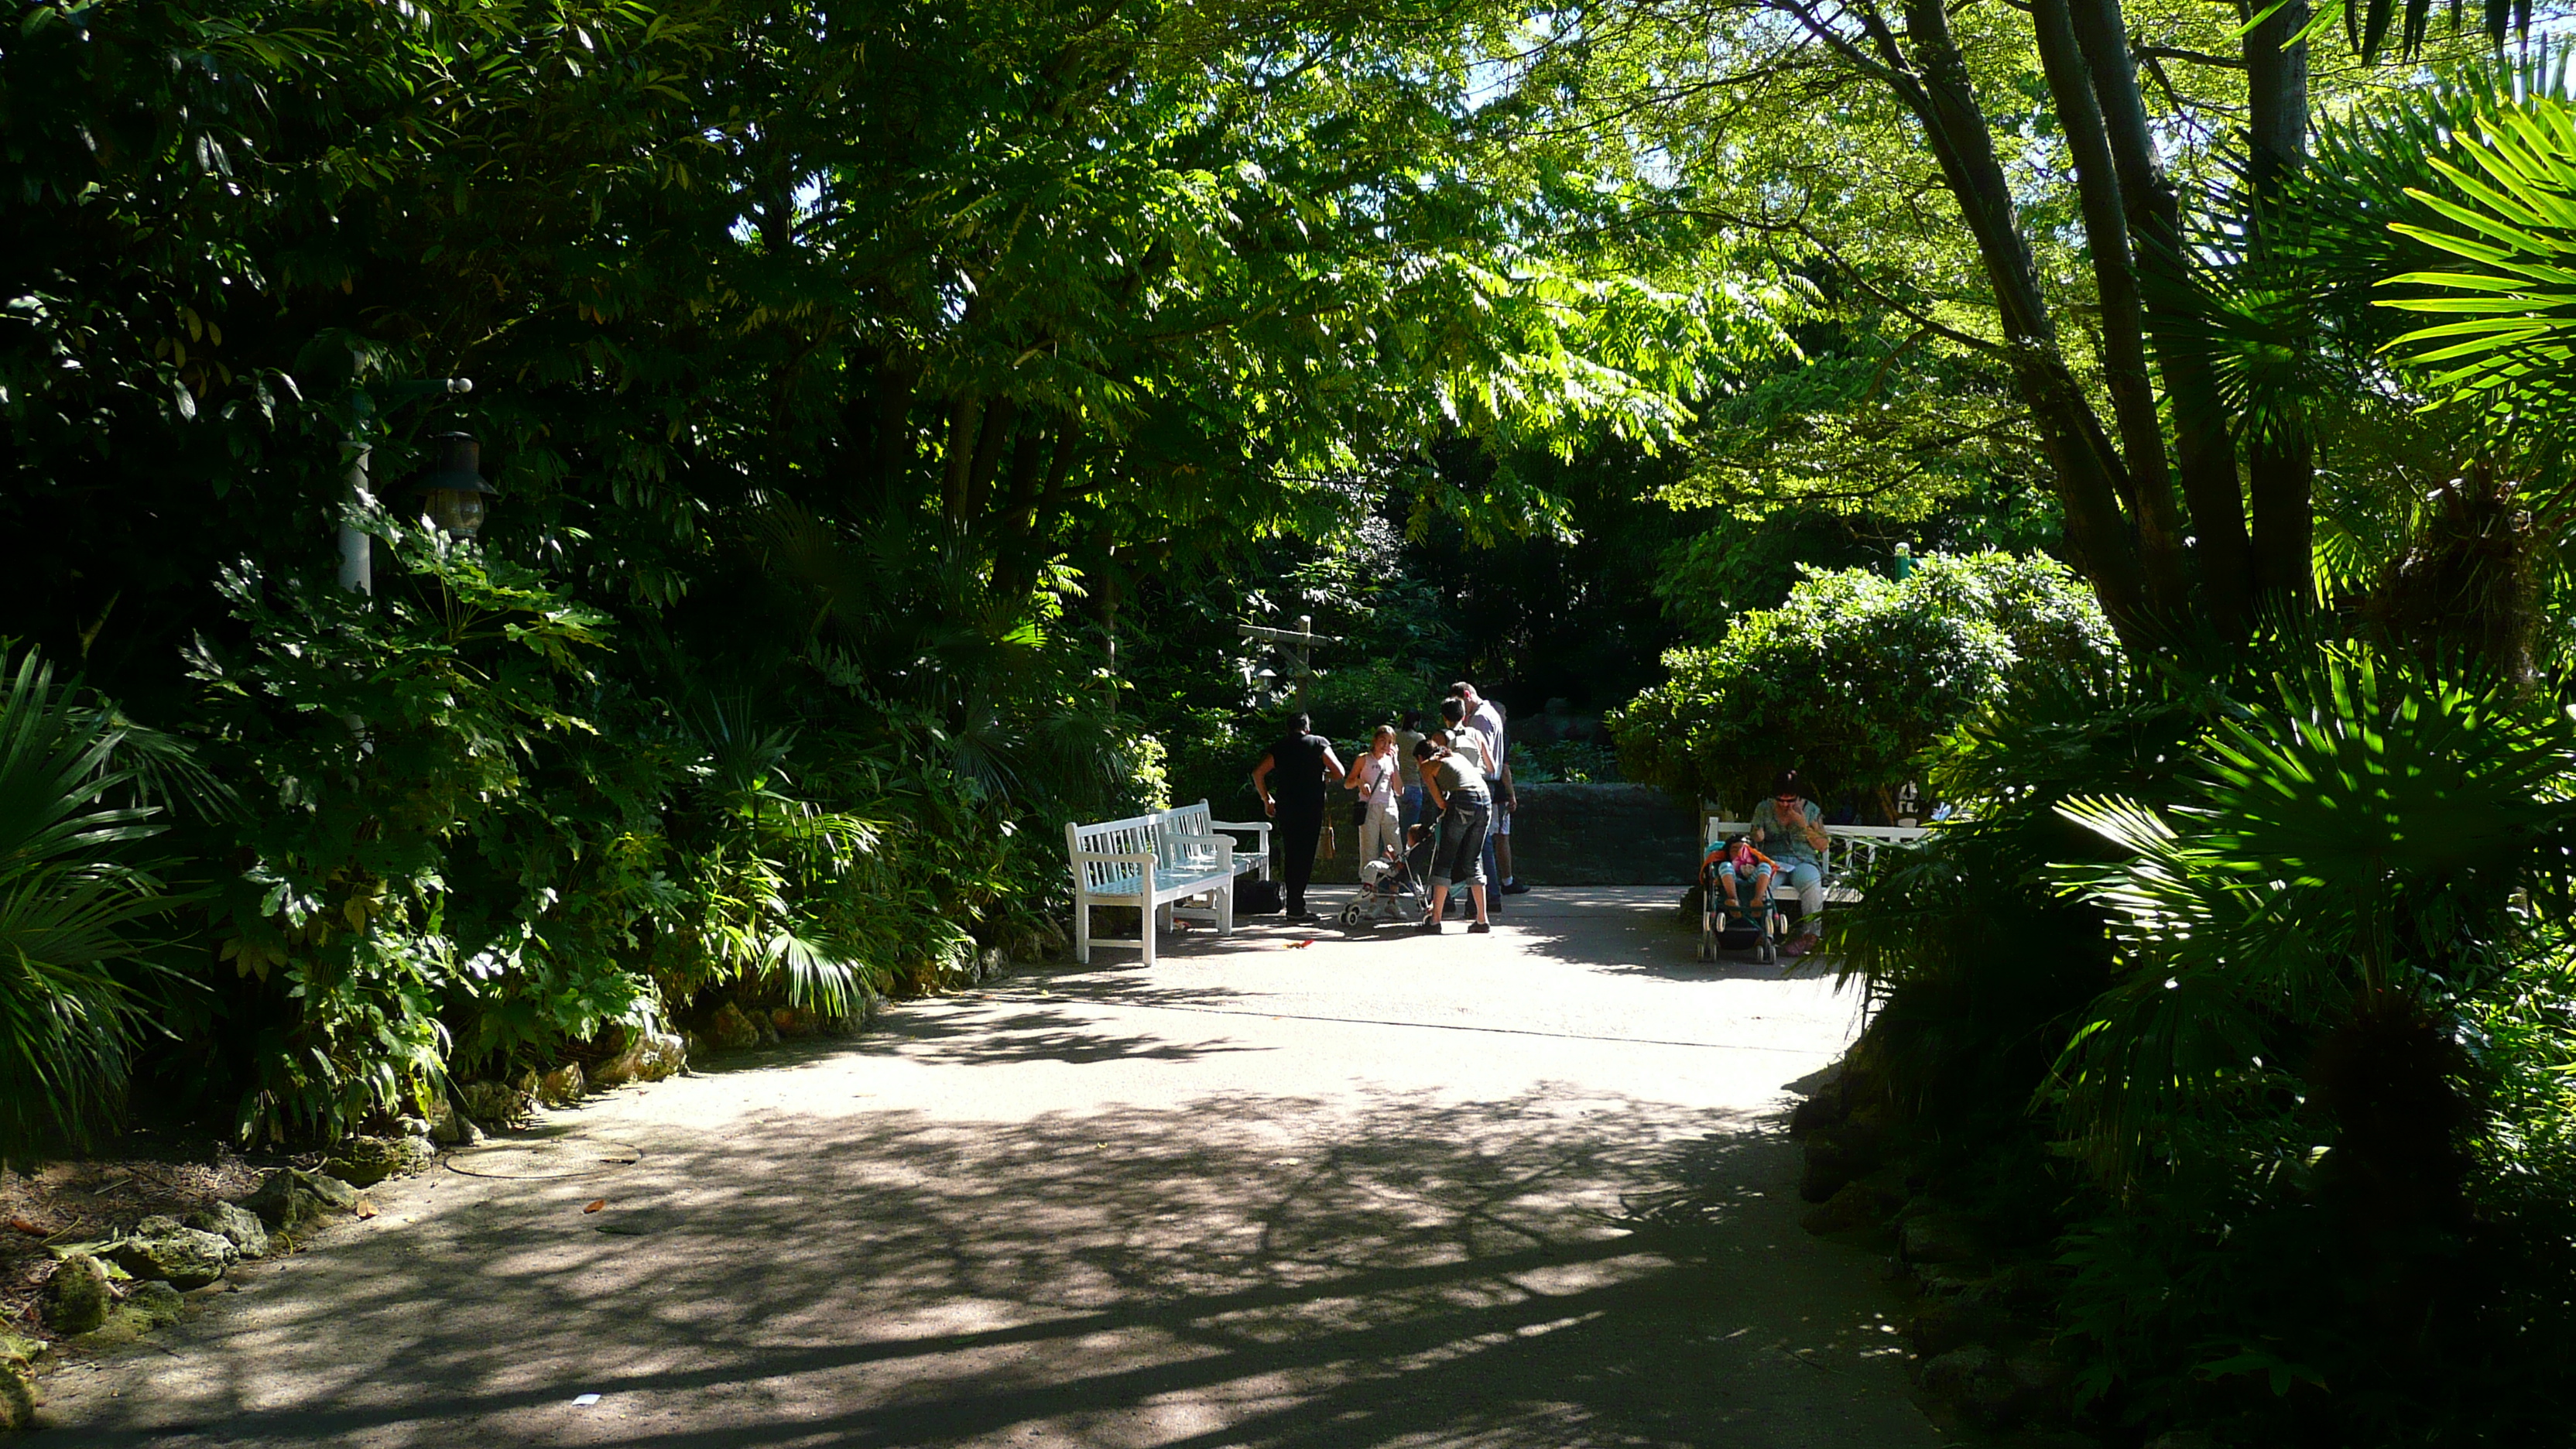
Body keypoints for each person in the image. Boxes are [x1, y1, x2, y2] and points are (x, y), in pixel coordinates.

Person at [1251, 714, 1346, 923]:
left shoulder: (1280, 747)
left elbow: (1258, 773)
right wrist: (1323, 775)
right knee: (1305, 856)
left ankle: (1294, 904)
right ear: (1307, 728)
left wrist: (1267, 799)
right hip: (1310, 807)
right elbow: (1339, 772)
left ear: (1288, 729)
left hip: (1286, 807)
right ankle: (1296, 906)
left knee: (1291, 853)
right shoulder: (1319, 743)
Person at [1450, 682, 1523, 897]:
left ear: (1466, 695)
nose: (1461, 710)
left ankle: (1490, 893)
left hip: (1480, 782)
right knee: (1481, 842)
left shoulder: (1480, 718)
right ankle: (1487, 894)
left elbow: (1480, 756)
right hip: (1488, 782)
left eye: (1460, 703)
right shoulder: (1491, 712)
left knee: (1480, 843)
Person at [1413, 737, 1492, 933]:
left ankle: (1435, 920)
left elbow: (1441, 803)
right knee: (1472, 860)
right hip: (1485, 801)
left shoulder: (1426, 766)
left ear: (1421, 757)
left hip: (1464, 801)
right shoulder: (1456, 756)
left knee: (1444, 861)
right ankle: (1482, 919)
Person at [1749, 769, 1829, 954]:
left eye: (1790, 800)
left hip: (1803, 861)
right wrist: (1758, 835)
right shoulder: (1764, 808)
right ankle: (1765, 932)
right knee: (1764, 883)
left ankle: (1810, 936)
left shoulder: (1810, 810)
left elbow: (1823, 846)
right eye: (1781, 800)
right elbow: (1754, 834)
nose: (1785, 805)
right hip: (1774, 860)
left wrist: (1802, 824)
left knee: (1812, 884)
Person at [1346, 725, 1404, 868]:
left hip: (1389, 806)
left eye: (1390, 742)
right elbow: (1348, 784)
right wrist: (1360, 782)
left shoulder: (1391, 761)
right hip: (1370, 807)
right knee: (1369, 849)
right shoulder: (1364, 759)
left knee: (1396, 848)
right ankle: (1369, 884)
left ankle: (1395, 883)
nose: (1386, 746)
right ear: (1375, 740)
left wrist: (1396, 764)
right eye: (1383, 741)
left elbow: (1399, 791)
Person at [1701, 834, 1776, 933]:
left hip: (1752, 884)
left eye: (1742, 849)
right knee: (1725, 866)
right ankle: (1734, 901)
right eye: (1734, 849)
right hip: (1732, 882)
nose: (1738, 852)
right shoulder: (1726, 863)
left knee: (1765, 866)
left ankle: (1757, 901)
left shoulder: (1755, 862)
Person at [1392, 710, 1428, 829]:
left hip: (1394, 784)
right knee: (1409, 830)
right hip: (1413, 784)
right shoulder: (1419, 738)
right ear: (1417, 723)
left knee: (1390, 830)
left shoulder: (1394, 735)